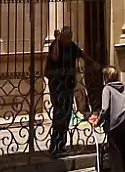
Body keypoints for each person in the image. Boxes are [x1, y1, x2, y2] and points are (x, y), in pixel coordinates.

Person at [44, 26, 84, 158]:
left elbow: (82, 55)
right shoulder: (55, 46)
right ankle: (54, 146)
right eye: (68, 38)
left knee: (66, 115)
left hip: (68, 85)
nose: (69, 40)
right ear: (63, 37)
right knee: (59, 115)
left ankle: (61, 144)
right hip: (57, 86)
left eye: (70, 38)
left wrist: (95, 65)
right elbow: (54, 57)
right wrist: (56, 40)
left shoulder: (71, 46)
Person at [95, 65, 125, 172]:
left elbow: (105, 108)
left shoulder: (107, 89)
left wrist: (98, 122)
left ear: (106, 78)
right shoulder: (122, 85)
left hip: (116, 123)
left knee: (116, 153)